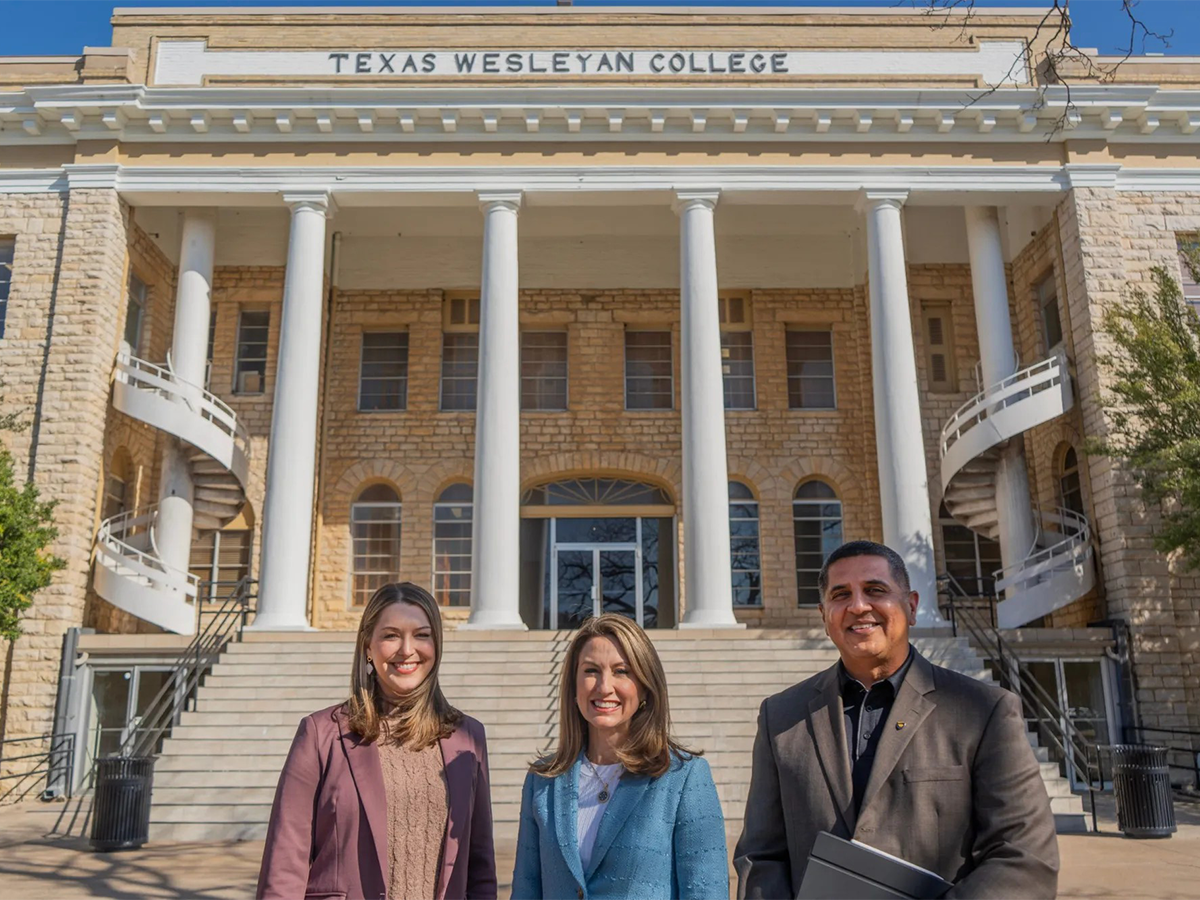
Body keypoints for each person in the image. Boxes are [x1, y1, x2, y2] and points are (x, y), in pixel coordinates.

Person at [734, 540, 1058, 900]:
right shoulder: (781, 716)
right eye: (841, 595)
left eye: (875, 590)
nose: (858, 606)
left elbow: (1024, 856)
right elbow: (760, 856)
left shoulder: (985, 711)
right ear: (824, 617)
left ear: (912, 606)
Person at [257, 582, 497, 900]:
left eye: (422, 635)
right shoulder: (320, 734)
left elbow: (480, 871)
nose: (407, 649)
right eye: (390, 635)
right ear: (368, 647)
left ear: (436, 646)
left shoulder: (469, 738)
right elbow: (284, 867)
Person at [510, 613, 728, 900]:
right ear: (573, 688)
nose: (604, 686)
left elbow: (706, 892)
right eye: (590, 671)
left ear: (645, 687)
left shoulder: (684, 778)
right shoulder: (542, 780)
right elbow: (526, 891)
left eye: (622, 671)